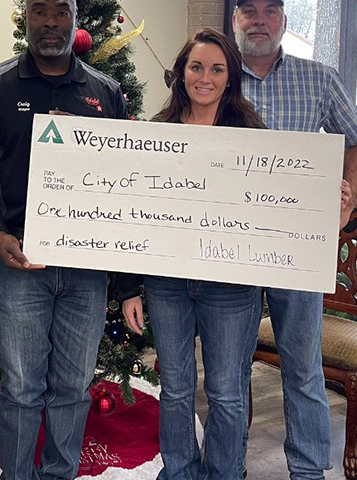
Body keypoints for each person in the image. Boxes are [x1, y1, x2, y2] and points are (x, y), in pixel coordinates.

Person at [0, 0, 127, 480]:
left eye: (61, 11)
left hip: (86, 269)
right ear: (24, 18)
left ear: (76, 19)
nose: (51, 21)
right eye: (39, 10)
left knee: (73, 388)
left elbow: (124, 179)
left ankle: (59, 474)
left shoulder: (105, 92)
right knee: (22, 389)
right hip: (19, 264)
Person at [232, 0, 357, 480]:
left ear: (285, 21)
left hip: (297, 244)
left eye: (270, 11)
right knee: (229, 369)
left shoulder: (319, 78)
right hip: (232, 243)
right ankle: (230, 466)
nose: (259, 20)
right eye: (250, 11)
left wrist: (345, 204)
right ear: (235, 21)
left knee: (303, 368)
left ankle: (309, 471)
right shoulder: (216, 76)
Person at [118, 28, 266, 480]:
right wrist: (129, 288)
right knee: (176, 390)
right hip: (167, 284)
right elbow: (133, 212)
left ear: (230, 77)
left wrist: (326, 195)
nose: (205, 77)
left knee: (227, 393)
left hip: (232, 287)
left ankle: (224, 473)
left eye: (217, 69)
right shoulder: (155, 134)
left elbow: (274, 203)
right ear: (181, 73)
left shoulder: (253, 135)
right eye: (196, 67)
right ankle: (180, 473)